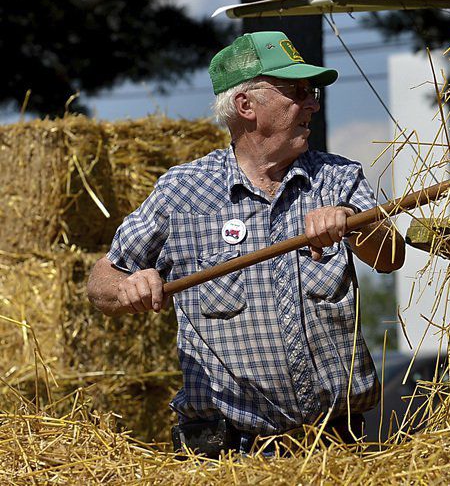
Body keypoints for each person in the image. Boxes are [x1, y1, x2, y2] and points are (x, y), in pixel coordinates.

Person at [87, 31, 405, 456]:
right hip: (227, 456)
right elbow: (101, 280)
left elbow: (391, 257)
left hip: (337, 449)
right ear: (246, 106)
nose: (312, 103)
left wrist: (353, 224)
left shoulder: (338, 177)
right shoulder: (183, 191)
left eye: (311, 92)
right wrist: (128, 286)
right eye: (297, 92)